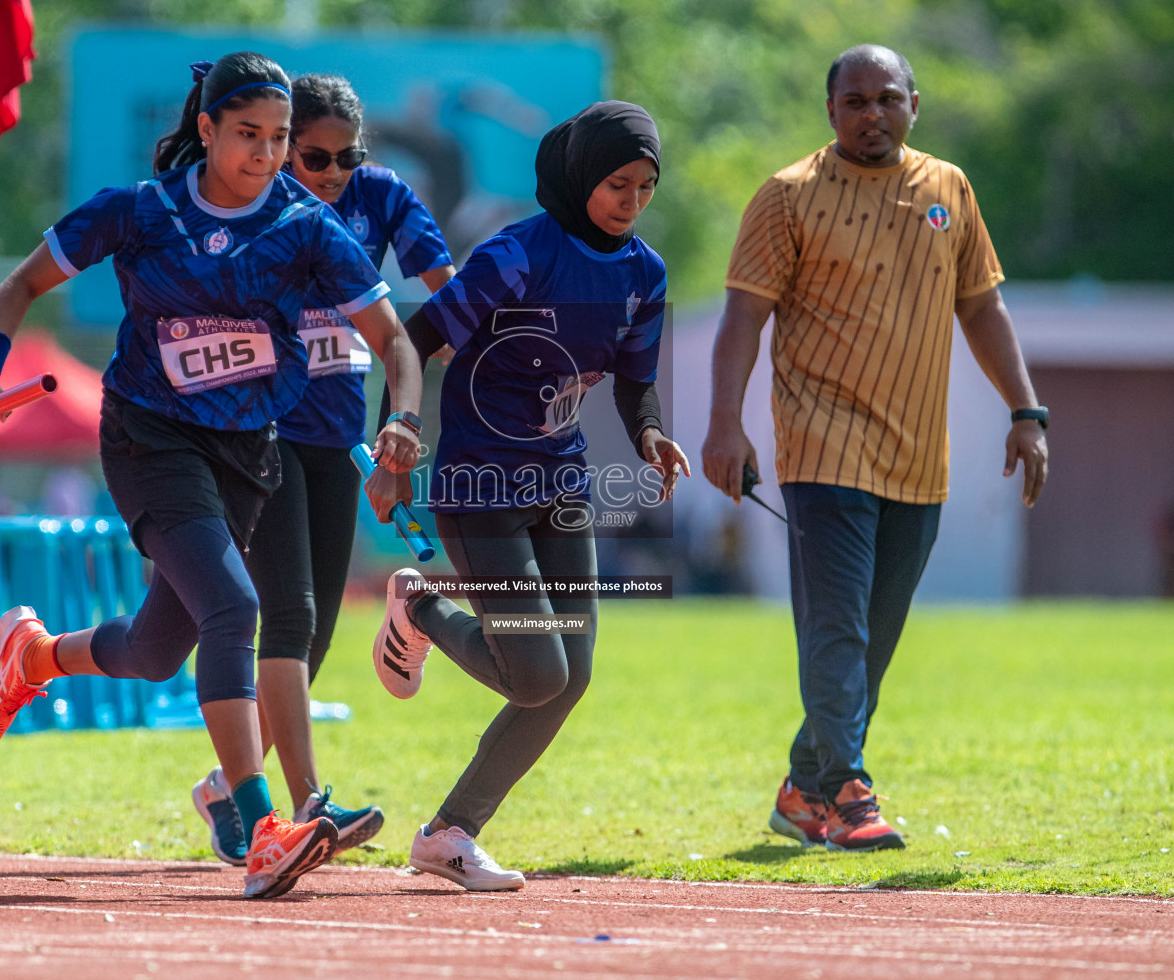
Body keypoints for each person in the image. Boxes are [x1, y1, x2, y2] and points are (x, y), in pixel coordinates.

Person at [0, 51, 423, 898]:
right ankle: (260, 830)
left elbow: (393, 339)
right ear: (206, 130)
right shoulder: (140, 213)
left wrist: (402, 416)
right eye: (249, 135)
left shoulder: (307, 226)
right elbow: (24, 282)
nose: (268, 156)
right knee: (237, 606)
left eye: (280, 139)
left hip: (248, 451)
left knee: (157, 649)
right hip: (148, 437)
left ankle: (31, 657)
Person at [701, 44, 1049, 852]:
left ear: (914, 105)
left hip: (919, 455)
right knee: (837, 632)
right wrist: (726, 422)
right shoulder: (788, 197)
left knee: (875, 638)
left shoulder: (949, 189)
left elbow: (983, 308)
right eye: (854, 100)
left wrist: (1027, 410)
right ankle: (853, 793)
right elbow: (742, 319)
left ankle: (804, 788)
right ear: (830, 111)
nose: (872, 113)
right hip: (822, 447)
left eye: (887, 98)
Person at [371, 101, 690, 891]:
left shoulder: (644, 274)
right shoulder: (518, 253)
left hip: (564, 485)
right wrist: (396, 437)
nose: (632, 202)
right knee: (540, 675)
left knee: (568, 679)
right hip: (480, 487)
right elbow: (416, 339)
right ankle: (421, 609)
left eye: (646, 188)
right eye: (619, 183)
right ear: (583, 175)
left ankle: (451, 833)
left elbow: (636, 384)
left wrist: (650, 435)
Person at [189, 73, 457, 866]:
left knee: (314, 637)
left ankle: (222, 790)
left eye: (349, 156)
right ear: (278, 142)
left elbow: (444, 295)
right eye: (313, 155)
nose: (333, 171)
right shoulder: (257, 204)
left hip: (339, 432)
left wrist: (404, 423)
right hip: (261, 429)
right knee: (291, 617)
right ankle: (304, 805)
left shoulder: (382, 196)